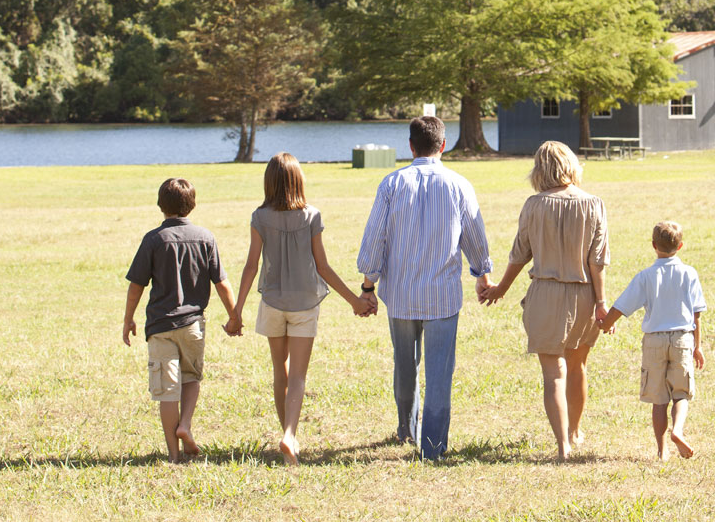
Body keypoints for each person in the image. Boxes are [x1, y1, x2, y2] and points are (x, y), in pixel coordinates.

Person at [357, 115, 493, 460]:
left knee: (405, 365)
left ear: (411, 145)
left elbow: (375, 238)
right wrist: (482, 274)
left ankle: (406, 428)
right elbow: (474, 236)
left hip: (400, 295)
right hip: (442, 296)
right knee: (439, 371)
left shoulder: (391, 184)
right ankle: (432, 445)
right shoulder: (459, 184)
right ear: (443, 145)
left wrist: (368, 285)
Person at [228, 153, 372, 466]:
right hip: (305, 304)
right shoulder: (311, 216)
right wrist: (355, 302)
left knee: (280, 371)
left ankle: (287, 436)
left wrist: (236, 311)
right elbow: (324, 267)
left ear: (269, 182)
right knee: (298, 376)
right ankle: (290, 436)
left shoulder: (259, 217)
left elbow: (251, 266)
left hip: (273, 303)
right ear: (298, 180)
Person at [482, 141, 609, 461]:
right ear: (572, 165)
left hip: (546, 292)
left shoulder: (534, 205)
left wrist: (501, 289)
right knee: (578, 366)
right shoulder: (594, 203)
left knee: (554, 372)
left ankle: (562, 447)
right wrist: (601, 302)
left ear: (539, 170)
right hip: (584, 293)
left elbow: (519, 255)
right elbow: (598, 261)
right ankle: (574, 432)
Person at [123, 177, 238, 464]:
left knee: (166, 391)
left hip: (160, 327)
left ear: (161, 205)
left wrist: (128, 319)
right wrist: (234, 315)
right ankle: (185, 423)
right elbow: (222, 283)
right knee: (191, 378)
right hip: (193, 326)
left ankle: (173, 454)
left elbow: (137, 284)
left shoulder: (153, 239)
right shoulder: (206, 237)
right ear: (192, 205)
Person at [598, 220, 706, 460]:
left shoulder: (646, 276)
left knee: (658, 399)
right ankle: (677, 430)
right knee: (681, 393)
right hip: (682, 338)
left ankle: (661, 450)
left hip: (654, 340)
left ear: (654, 245)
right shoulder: (689, 273)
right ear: (680, 247)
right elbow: (697, 314)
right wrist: (698, 346)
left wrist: (606, 324)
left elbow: (622, 305)